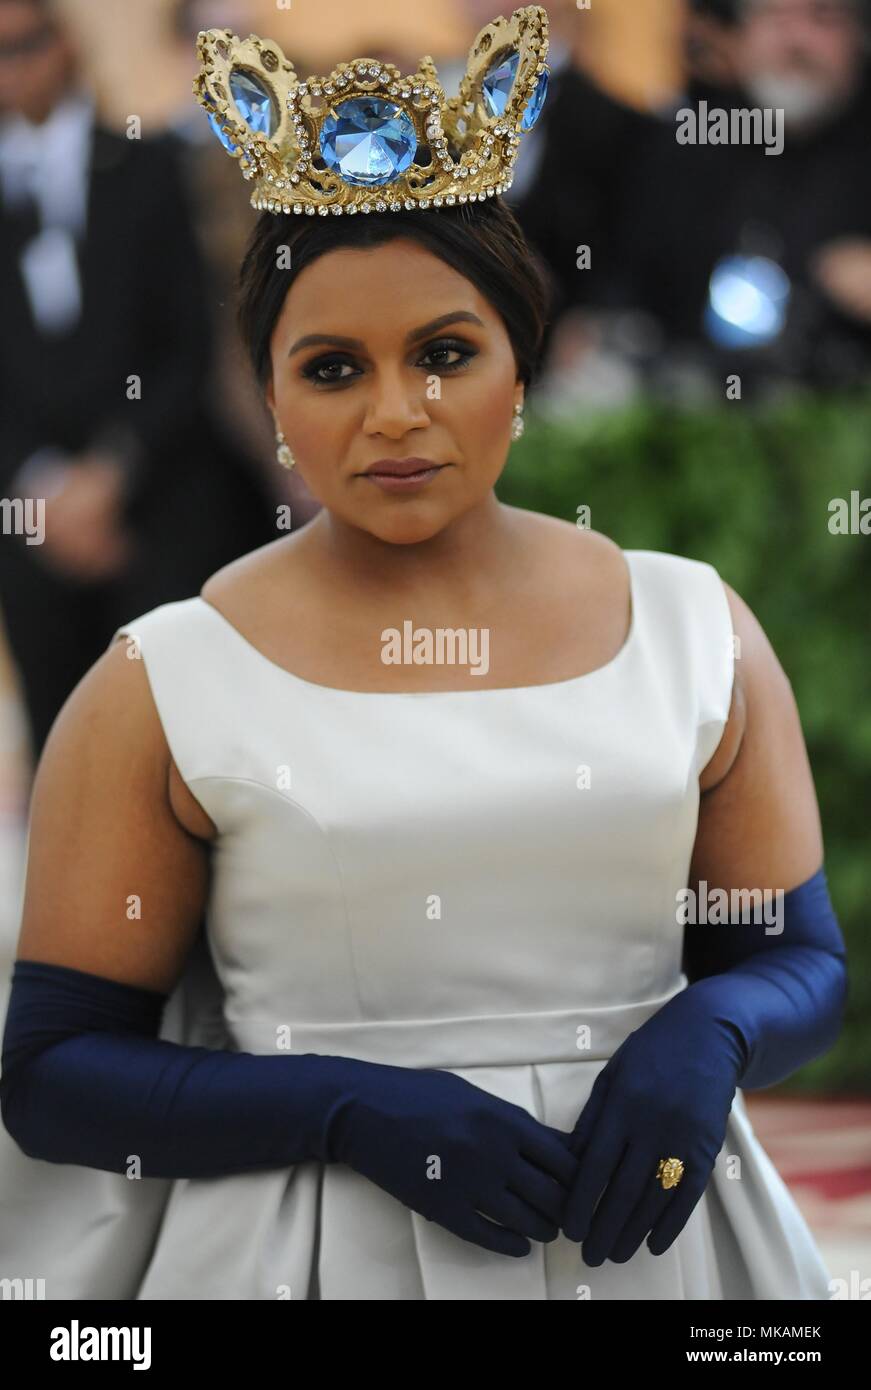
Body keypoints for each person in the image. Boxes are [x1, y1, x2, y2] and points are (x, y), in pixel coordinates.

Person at [0, 8, 847, 1301]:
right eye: (332, 366)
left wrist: (710, 1027)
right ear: (271, 399)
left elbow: (794, 958)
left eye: (445, 353)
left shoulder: (694, 625)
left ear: (521, 365)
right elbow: (55, 1072)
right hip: (305, 1256)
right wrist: (338, 1105)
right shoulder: (160, 678)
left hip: (655, 1249)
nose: (395, 412)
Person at [0, 0, 276, 762]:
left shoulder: (147, 165)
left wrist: (110, 474)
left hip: (154, 477)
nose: (14, 69)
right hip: (30, 498)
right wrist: (44, 484)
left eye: (27, 45)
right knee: (60, 720)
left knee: (169, 710)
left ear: (66, 46)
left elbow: (187, 346)